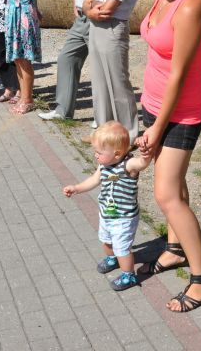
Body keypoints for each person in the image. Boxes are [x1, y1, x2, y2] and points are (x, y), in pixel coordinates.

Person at [134, 0, 201, 314]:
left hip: (180, 112)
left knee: (165, 193)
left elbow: (180, 74)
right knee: (174, 188)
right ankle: (174, 250)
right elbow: (158, 58)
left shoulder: (189, 5)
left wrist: (156, 126)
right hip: (156, 105)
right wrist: (146, 106)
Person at [62, 121, 150, 292]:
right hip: (106, 213)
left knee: (122, 248)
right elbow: (94, 180)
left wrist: (146, 155)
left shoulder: (128, 165)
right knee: (106, 239)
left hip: (124, 218)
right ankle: (112, 258)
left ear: (117, 154)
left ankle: (129, 274)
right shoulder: (103, 165)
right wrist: (77, 188)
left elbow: (142, 164)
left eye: (99, 152)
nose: (95, 155)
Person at [39, 0, 101, 121]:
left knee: (101, 68)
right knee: (67, 58)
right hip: (82, 18)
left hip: (100, 19)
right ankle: (62, 111)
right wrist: (76, 4)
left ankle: (103, 118)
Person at [83, 0, 140, 135]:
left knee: (118, 83)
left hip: (112, 28)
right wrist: (92, 9)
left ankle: (128, 133)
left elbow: (108, 9)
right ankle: (104, 131)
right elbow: (87, 1)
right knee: (99, 83)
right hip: (97, 27)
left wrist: (93, 7)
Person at [0, 0, 41, 115]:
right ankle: (23, 95)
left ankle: (28, 99)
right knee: (17, 58)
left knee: (24, 59)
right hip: (12, 13)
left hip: (24, 13)